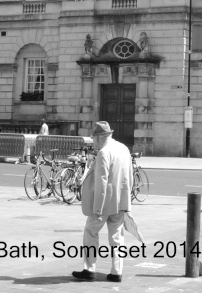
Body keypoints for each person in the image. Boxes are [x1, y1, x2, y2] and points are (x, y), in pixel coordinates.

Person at [72, 121, 132, 283]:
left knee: (90, 232)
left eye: (94, 137)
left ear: (100, 137)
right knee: (117, 237)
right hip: (120, 202)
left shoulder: (104, 153)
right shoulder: (123, 148)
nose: (93, 141)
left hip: (104, 204)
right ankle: (116, 272)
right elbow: (130, 176)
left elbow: (102, 182)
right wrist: (127, 202)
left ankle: (89, 269)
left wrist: (97, 208)